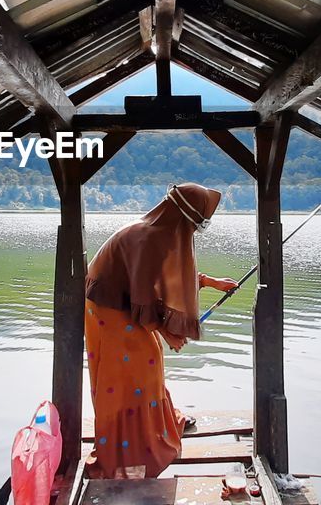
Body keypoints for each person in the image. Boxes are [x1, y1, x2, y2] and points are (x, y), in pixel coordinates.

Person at [82, 183, 238, 479]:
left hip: (122, 300)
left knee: (147, 363)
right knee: (133, 368)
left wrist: (210, 281)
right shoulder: (149, 236)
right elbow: (144, 293)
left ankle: (154, 430)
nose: (193, 231)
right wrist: (166, 333)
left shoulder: (160, 233)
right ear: (183, 217)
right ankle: (126, 448)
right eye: (195, 224)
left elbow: (163, 277)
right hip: (107, 305)